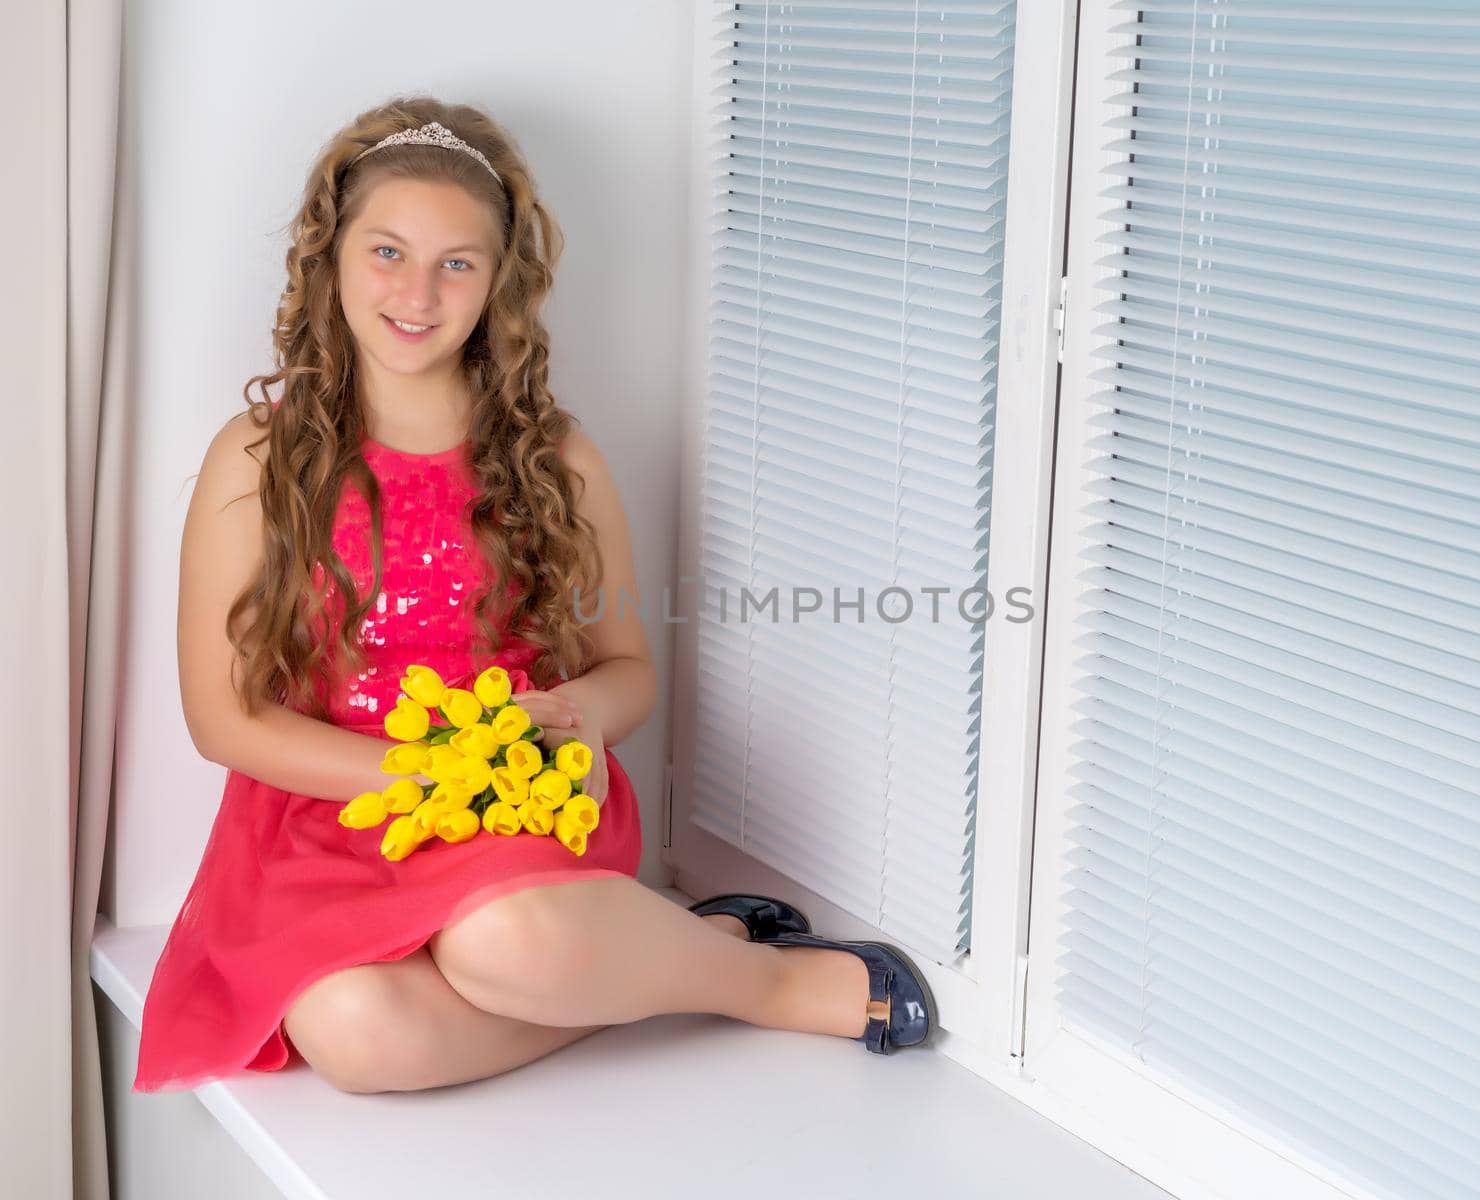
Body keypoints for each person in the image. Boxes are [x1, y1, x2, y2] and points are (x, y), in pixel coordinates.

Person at [132, 96, 934, 1096]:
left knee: (498, 944)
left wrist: (574, 717)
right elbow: (223, 719)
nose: (417, 291)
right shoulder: (258, 459)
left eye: (456, 263)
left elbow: (629, 672)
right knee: (351, 1033)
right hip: (332, 816)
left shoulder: (555, 459)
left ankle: (767, 983)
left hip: (521, 810)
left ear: (498, 283)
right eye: (387, 251)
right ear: (329, 255)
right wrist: (421, 780)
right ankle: (676, 955)